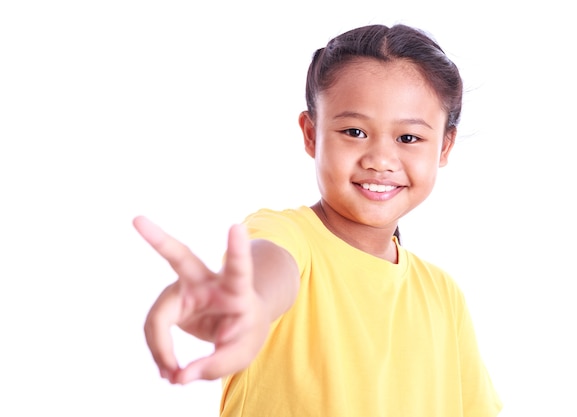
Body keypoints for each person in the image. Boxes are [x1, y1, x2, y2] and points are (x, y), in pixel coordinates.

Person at [134, 23, 502, 416]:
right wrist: (248, 303)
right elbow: (269, 269)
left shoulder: (444, 296)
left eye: (408, 138)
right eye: (354, 131)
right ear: (311, 134)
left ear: (444, 146)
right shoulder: (289, 237)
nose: (379, 159)